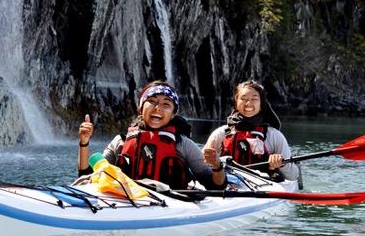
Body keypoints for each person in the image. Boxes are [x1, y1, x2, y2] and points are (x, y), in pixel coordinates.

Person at [77, 80, 227, 190]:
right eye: (151, 101)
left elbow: (215, 185)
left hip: (169, 206)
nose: (157, 108)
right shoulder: (121, 141)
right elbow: (88, 176)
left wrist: (216, 165)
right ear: (140, 108)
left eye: (166, 104)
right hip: (125, 201)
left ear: (173, 114)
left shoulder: (183, 144)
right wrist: (84, 142)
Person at [204, 79, 299, 181]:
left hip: (263, 186)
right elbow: (201, 167)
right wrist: (209, 159)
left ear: (262, 105)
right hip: (227, 182)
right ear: (236, 104)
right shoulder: (220, 134)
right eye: (243, 99)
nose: (248, 103)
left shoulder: (275, 136)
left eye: (254, 99)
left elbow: (293, 176)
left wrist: (281, 163)